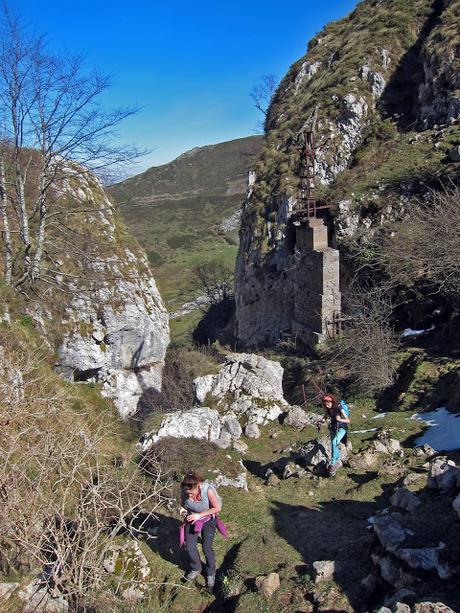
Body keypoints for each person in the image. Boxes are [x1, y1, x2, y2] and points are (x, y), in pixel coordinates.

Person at [179, 471, 222, 588]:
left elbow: (217, 508)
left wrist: (200, 515)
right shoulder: (185, 491)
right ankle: (196, 567)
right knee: (189, 546)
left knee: (206, 548)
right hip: (192, 519)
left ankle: (211, 572)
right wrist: (182, 509)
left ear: (198, 486)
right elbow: (183, 504)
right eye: (188, 493)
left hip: (208, 520)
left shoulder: (207, 491)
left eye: (192, 493)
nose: (190, 496)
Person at [321, 394, 350, 476]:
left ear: (332, 401)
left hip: (342, 428)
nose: (327, 404)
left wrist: (339, 419)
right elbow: (327, 414)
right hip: (333, 429)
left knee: (334, 442)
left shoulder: (339, 408)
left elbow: (348, 420)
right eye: (325, 403)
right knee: (334, 444)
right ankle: (338, 460)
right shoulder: (328, 408)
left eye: (328, 402)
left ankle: (333, 463)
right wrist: (323, 419)